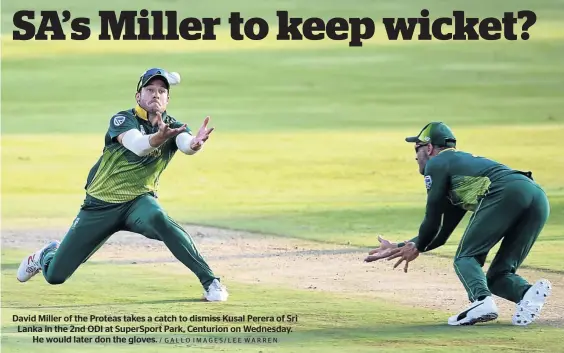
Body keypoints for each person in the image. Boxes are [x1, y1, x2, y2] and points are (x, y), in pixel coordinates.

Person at [17, 68, 229, 302]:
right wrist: (161, 137)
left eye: (161, 91)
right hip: (99, 206)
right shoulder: (122, 119)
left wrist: (196, 144)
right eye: (149, 90)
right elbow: (138, 145)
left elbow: (187, 144)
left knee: (160, 219)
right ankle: (46, 254)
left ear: (168, 99)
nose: (156, 95)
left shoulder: (174, 127)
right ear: (138, 96)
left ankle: (211, 282)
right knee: (55, 275)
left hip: (138, 203)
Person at [364, 122, 551, 326]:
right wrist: (403, 246)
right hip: (537, 197)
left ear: (429, 148)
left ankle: (481, 301)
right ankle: (527, 294)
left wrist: (417, 245)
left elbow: (432, 217)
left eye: (416, 149)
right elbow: (442, 234)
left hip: (507, 191)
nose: (415, 156)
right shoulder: (460, 176)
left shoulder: (437, 163)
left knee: (466, 257)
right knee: (498, 276)